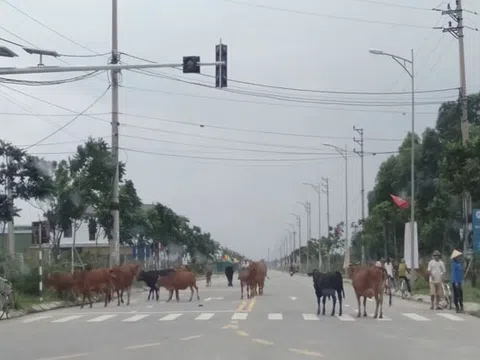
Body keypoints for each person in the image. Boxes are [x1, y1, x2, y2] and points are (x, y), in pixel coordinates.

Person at [450, 249, 464, 313]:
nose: (459, 257)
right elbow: (453, 274)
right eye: (458, 256)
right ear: (455, 257)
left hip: (459, 281)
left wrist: (462, 281)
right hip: (455, 282)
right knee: (456, 295)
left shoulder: (460, 264)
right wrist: (455, 282)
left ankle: (461, 306)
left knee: (461, 294)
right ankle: (457, 307)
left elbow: (461, 273)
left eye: (459, 256)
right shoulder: (454, 264)